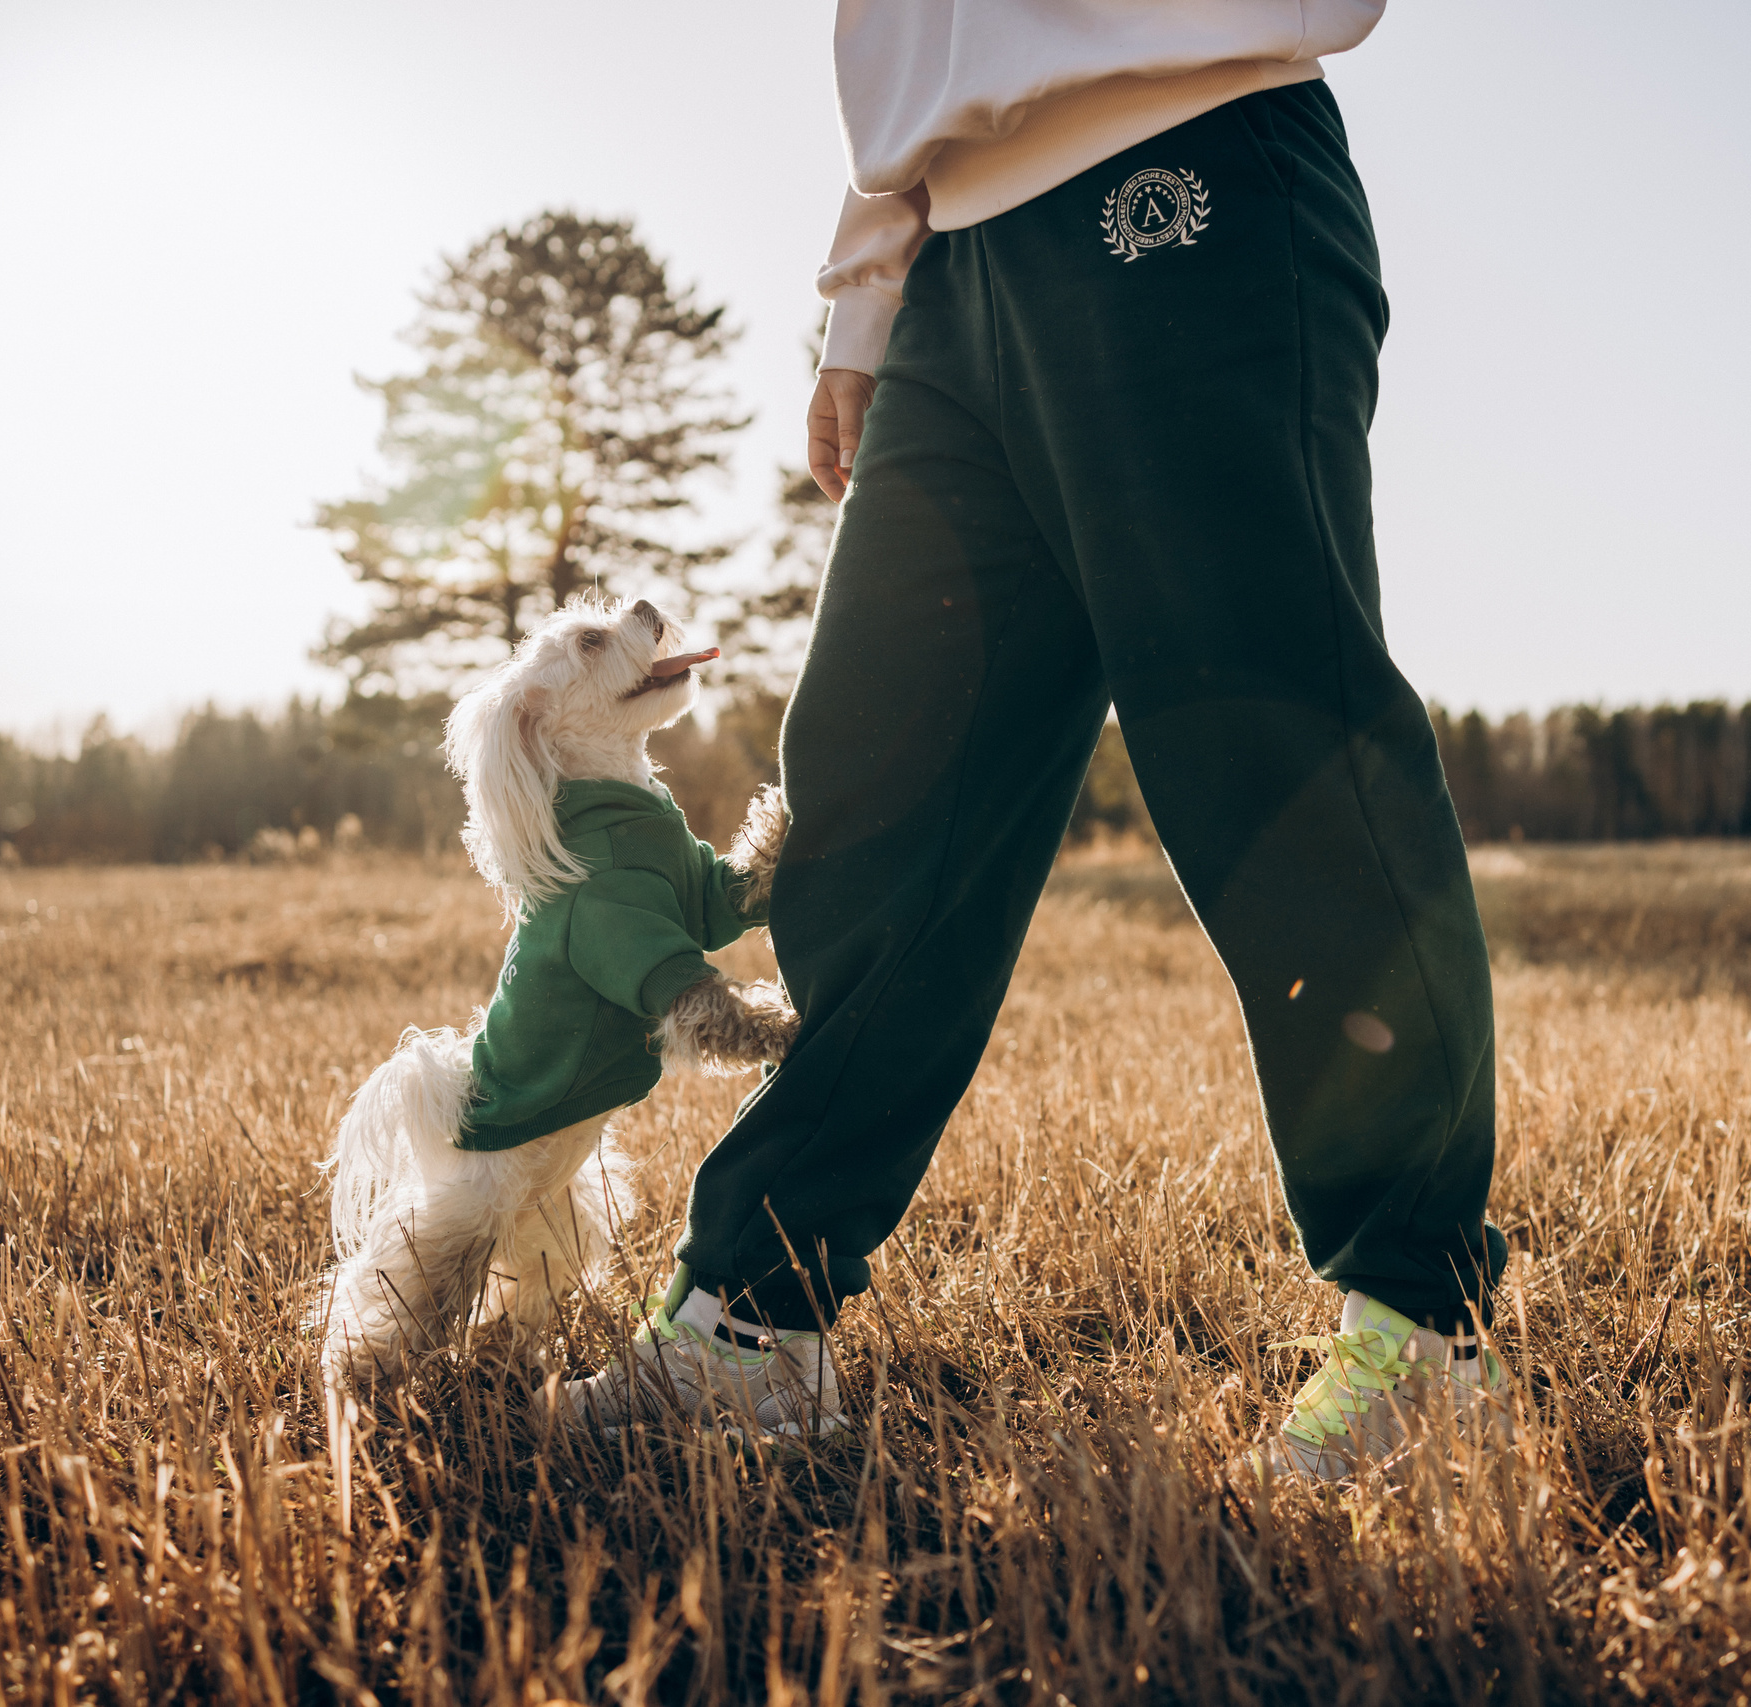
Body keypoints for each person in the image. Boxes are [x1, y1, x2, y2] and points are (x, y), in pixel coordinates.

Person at [559, 1, 1511, 1480]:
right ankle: (754, 1320)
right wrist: (868, 300)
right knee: (878, 796)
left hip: (1192, 158)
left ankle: (1424, 1334)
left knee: (1274, 763)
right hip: (955, 262)